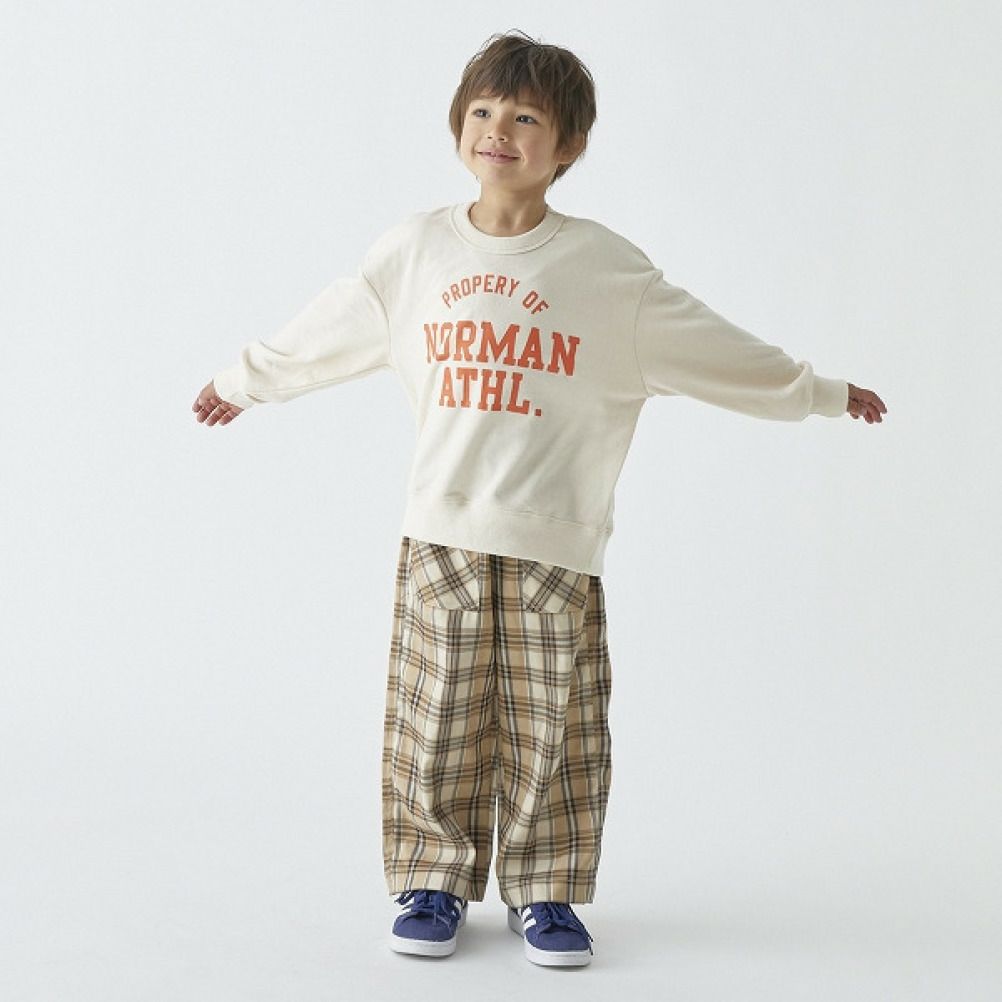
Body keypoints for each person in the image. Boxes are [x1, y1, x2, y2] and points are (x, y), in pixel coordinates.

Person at [191, 29, 887, 968]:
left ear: (568, 146)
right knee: (434, 713)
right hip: (442, 527)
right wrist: (242, 382)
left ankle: (545, 887)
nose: (499, 130)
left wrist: (819, 392)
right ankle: (431, 876)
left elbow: (718, 349)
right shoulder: (415, 252)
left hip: (557, 537)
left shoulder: (605, 272)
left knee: (551, 721)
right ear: (458, 126)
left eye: (526, 117)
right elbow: (330, 326)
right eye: (483, 111)